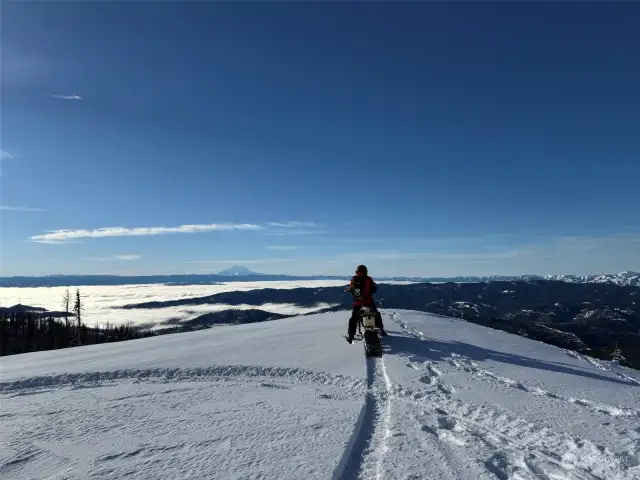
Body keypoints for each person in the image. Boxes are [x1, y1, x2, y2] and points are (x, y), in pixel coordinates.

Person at [345, 264, 387, 343]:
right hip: (368, 302)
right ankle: (381, 330)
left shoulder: (354, 279)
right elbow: (374, 289)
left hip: (357, 303)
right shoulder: (368, 279)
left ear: (357, 271)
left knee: (353, 319)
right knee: (376, 314)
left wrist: (349, 290)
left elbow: (351, 288)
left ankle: (351, 336)